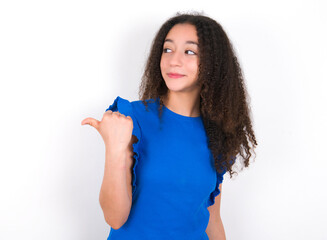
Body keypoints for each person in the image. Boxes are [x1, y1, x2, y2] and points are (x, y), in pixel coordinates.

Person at [81, 11, 257, 240]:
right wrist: (115, 148)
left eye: (190, 52)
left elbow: (212, 218)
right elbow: (115, 218)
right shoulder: (130, 118)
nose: (174, 60)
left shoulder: (218, 133)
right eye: (168, 49)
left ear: (214, 63)